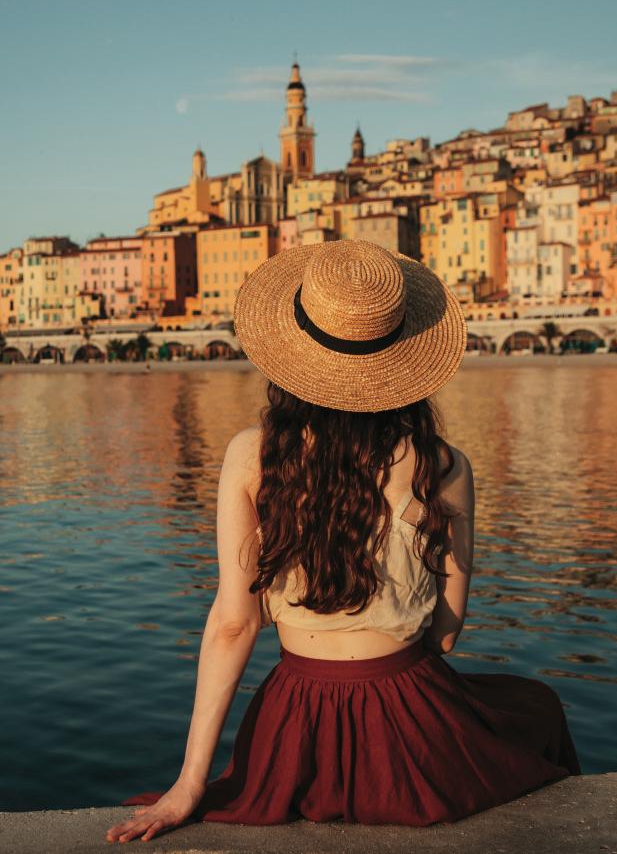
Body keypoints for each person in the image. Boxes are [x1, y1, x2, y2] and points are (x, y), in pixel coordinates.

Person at [107, 239, 581, 844]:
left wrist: (188, 786)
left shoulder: (252, 455)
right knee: (537, 707)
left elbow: (233, 625)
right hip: (413, 733)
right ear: (402, 356)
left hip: (292, 732)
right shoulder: (444, 465)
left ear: (292, 354)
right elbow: (447, 634)